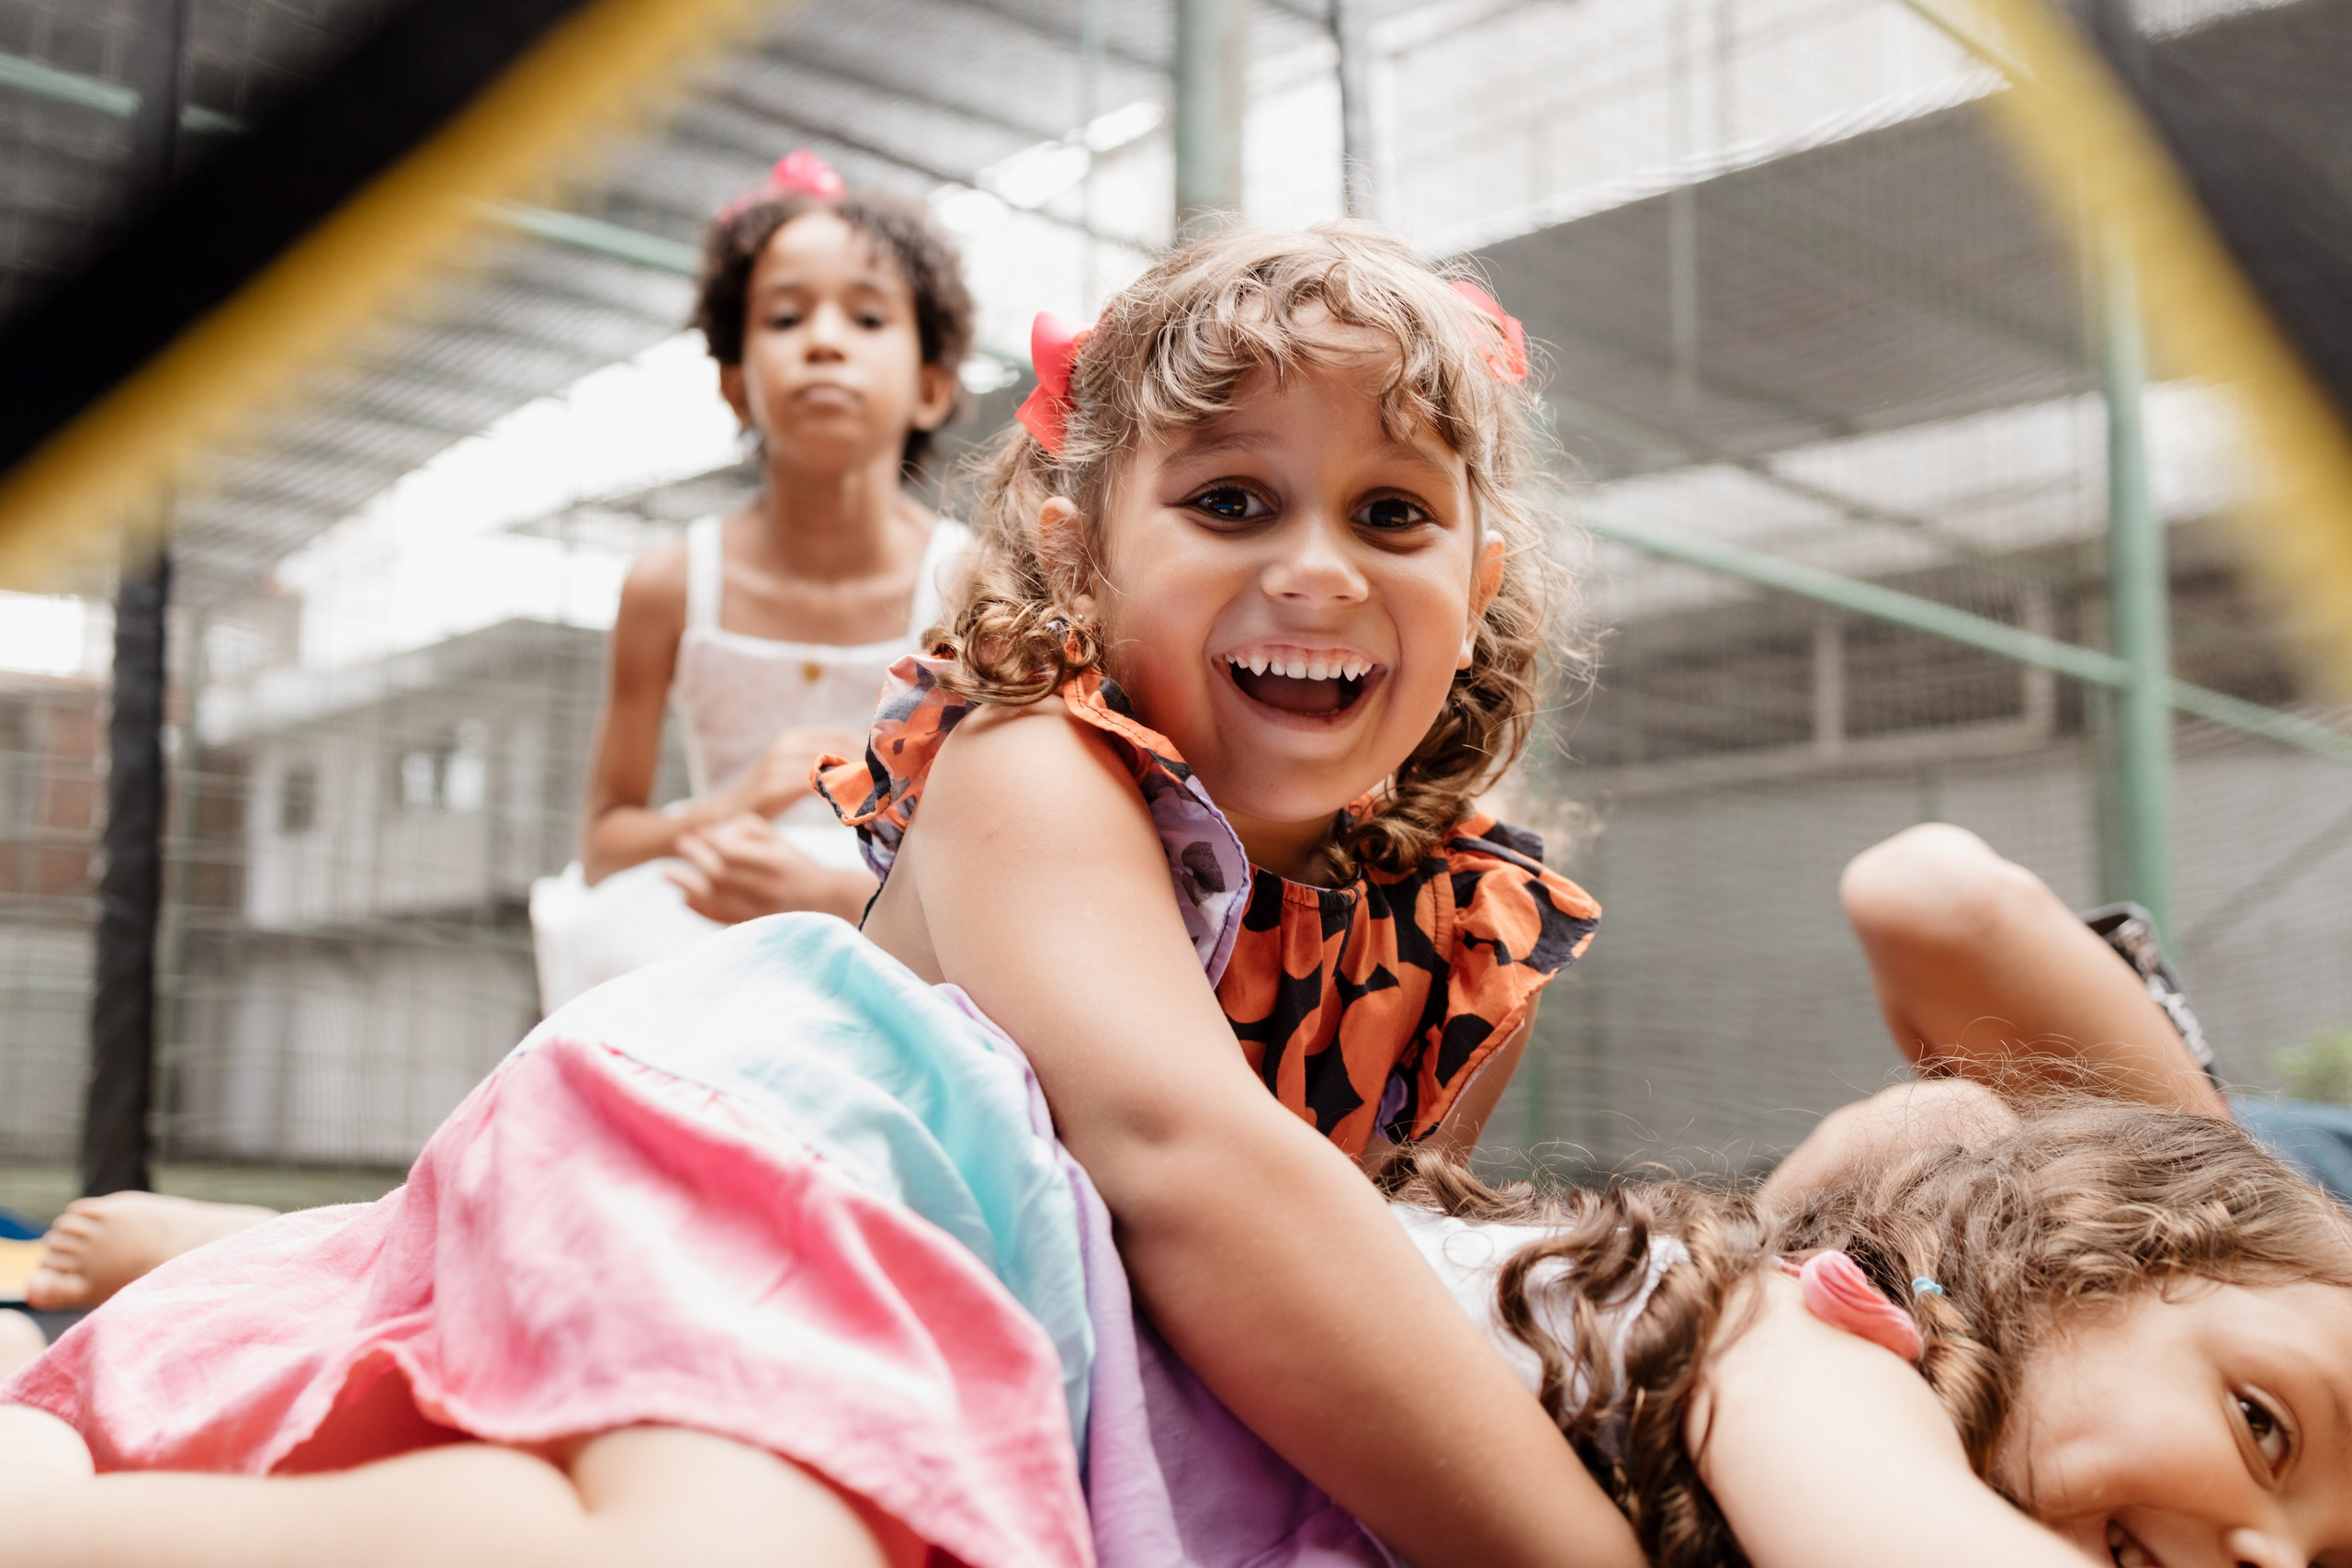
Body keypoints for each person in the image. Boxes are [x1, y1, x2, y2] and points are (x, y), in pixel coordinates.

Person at [0, 224, 1642, 1568]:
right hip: (784, 1181)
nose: (1317, 566)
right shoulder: (1045, 764)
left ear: (1477, 582)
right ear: (1078, 558)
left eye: (1395, 514)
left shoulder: (1466, 935)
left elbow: (1355, 1295)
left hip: (1005, 1318)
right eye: (1230, 500)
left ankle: (304, 1265)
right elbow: (1195, 1169)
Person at [17, 149, 974, 1316]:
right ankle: (351, 1252)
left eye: (866, 317)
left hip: (886, 912)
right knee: (618, 977)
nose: (824, 340)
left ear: (931, 381)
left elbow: (986, 843)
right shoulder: (675, 581)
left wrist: (831, 902)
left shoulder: (966, 581)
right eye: (785, 316)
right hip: (704, 891)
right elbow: (610, 838)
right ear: (733, 379)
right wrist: (723, 813)